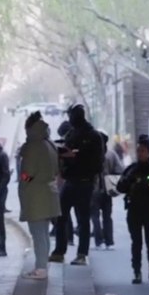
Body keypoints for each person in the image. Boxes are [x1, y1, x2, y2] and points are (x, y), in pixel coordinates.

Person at [52, 104, 105, 265]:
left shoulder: (93, 136)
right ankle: (60, 251)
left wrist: (75, 156)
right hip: (70, 180)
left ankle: (82, 253)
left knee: (83, 219)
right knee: (60, 216)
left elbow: (96, 161)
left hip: (85, 181)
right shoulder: (72, 133)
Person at [117, 135, 149, 284]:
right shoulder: (131, 170)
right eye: (138, 150)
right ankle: (137, 271)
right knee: (136, 242)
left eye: (143, 151)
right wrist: (129, 181)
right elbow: (120, 187)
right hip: (134, 210)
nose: (140, 153)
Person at [18, 112, 61, 280]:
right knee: (43, 233)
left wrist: (24, 179)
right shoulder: (49, 144)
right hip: (49, 194)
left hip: (35, 196)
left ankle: (40, 268)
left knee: (37, 234)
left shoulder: (32, 146)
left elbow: (27, 173)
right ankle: (43, 266)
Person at [90, 131, 121, 250]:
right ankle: (109, 242)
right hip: (108, 188)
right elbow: (120, 170)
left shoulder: (90, 155)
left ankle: (99, 242)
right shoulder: (111, 154)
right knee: (108, 216)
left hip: (94, 189)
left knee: (95, 215)